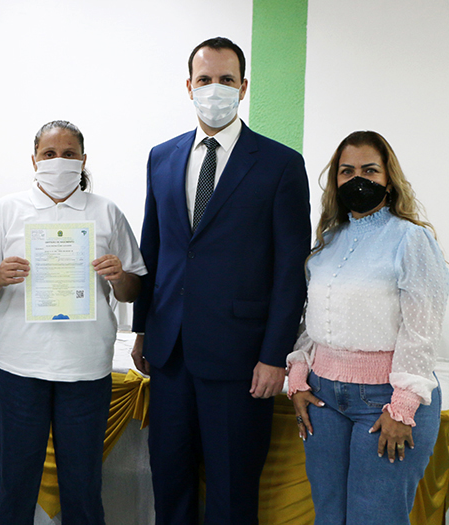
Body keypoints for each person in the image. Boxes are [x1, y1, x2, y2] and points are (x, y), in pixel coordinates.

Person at [131, 37, 311, 524]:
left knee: (232, 489)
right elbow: (155, 249)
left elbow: (291, 270)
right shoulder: (161, 157)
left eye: (226, 80)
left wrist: (276, 354)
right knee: (170, 479)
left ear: (244, 87)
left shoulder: (279, 164)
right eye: (205, 79)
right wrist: (142, 328)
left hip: (240, 358)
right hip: (169, 354)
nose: (216, 88)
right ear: (189, 86)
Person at [0, 120, 147, 525]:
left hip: (86, 370)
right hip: (20, 369)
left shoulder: (106, 212)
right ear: (34, 160)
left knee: (82, 488)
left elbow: (133, 290)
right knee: (17, 487)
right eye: (49, 154)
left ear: (83, 160)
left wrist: (119, 275)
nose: (58, 161)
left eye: (68, 153)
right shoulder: (8, 211)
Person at [287, 131, 449, 524]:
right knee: (329, 515)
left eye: (369, 170)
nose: (357, 179)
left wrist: (403, 406)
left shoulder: (411, 239)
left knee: (374, 518)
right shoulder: (329, 240)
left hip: (386, 402)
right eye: (347, 171)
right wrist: (297, 376)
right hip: (324, 399)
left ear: (388, 179)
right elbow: (315, 319)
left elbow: (421, 329)